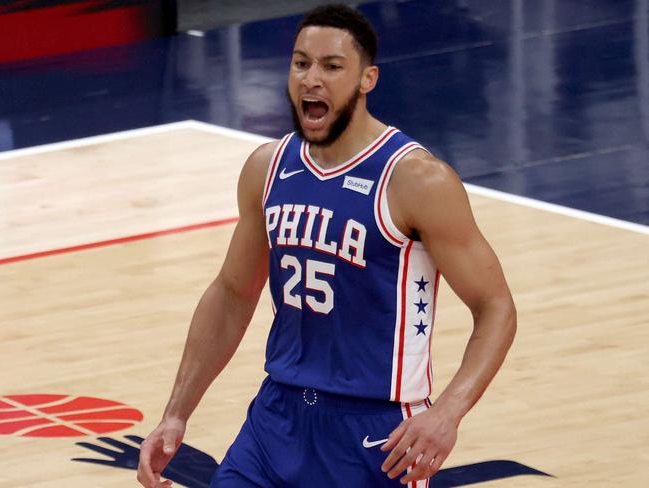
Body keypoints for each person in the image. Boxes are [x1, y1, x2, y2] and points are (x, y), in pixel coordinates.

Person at [137, 4, 516, 487]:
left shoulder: (416, 180)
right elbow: (232, 294)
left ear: (367, 78)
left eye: (332, 66)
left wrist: (447, 412)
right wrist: (176, 413)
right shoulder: (267, 168)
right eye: (301, 63)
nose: (311, 79)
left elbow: (497, 306)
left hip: (375, 434)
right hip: (276, 418)